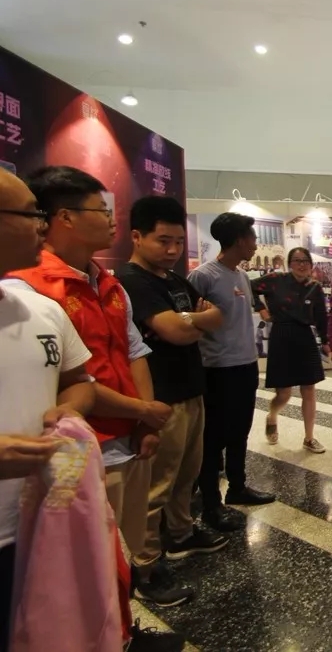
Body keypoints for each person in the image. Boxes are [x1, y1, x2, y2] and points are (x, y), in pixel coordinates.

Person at [0, 167, 183, 651]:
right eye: (101, 211)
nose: (111, 221)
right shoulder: (35, 288)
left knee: (112, 555)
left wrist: (144, 418)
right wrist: (139, 409)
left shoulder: (104, 284)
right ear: (66, 217)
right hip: (82, 454)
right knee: (71, 573)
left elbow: (124, 355)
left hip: (118, 440)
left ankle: (120, 633)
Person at [116, 196, 230, 605]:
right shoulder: (132, 281)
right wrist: (194, 322)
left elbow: (217, 317)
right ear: (136, 236)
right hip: (161, 397)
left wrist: (192, 322)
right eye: (163, 241)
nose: (172, 250)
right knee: (156, 485)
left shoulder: (175, 280)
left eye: (178, 242)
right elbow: (178, 331)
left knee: (187, 474)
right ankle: (147, 564)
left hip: (191, 389)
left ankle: (181, 534)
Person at [188, 213, 275, 533]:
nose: (255, 244)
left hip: (245, 365)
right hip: (217, 368)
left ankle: (238, 487)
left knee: (240, 430)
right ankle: (211, 503)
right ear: (239, 240)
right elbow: (189, 319)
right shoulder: (203, 276)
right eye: (252, 238)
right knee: (213, 438)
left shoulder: (241, 276)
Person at [252, 247, 330, 453]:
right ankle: (272, 416)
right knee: (284, 393)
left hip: (305, 337)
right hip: (281, 335)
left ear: (311, 264)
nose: (301, 264)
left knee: (309, 389)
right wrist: (260, 308)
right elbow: (250, 287)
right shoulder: (275, 280)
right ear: (289, 263)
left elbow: (321, 316)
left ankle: (309, 438)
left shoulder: (314, 288)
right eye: (297, 260)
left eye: (305, 260)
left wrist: (326, 341)